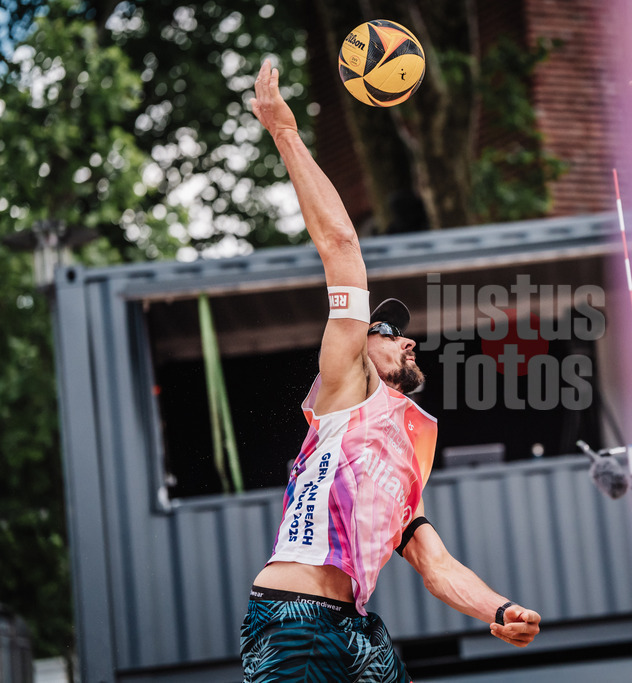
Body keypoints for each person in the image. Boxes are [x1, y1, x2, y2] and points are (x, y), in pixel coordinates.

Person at [240, 59, 541, 682]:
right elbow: (342, 248)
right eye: (386, 331)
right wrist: (284, 132)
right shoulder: (343, 387)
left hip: (355, 626)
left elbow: (438, 567)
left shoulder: (406, 458)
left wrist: (500, 608)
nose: (404, 341)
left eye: (403, 333)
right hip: (293, 619)